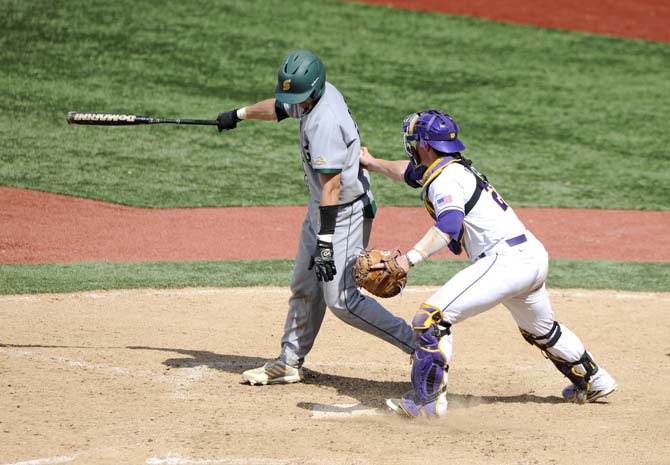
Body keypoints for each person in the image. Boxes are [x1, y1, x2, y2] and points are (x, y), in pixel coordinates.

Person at [359, 109, 618, 418]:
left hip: (505, 262)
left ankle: (426, 403)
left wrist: (408, 259)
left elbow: (450, 225)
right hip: (531, 256)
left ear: (426, 144)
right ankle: (594, 379)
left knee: (431, 320)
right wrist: (372, 163)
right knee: (541, 329)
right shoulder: (447, 168)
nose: (412, 146)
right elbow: (407, 173)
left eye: (415, 141)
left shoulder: (446, 181)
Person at [215, 50, 415, 385]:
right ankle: (289, 361)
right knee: (304, 284)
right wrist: (238, 114)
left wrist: (324, 243)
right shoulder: (311, 93)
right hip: (322, 205)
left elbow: (333, 186)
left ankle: (419, 345)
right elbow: (279, 108)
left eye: (301, 98)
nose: (297, 103)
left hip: (343, 211)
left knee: (342, 300)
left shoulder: (325, 121)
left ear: (315, 90)